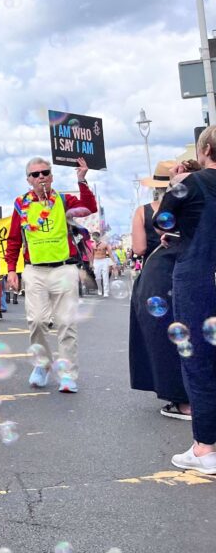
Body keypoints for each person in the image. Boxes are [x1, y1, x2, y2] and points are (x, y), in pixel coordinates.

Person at [5, 157, 96, 393]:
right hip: (35, 270)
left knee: (67, 323)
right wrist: (11, 270)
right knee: (36, 320)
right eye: (35, 174)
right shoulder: (20, 205)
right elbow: (14, 239)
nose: (41, 177)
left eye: (45, 172)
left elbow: (89, 207)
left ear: (52, 176)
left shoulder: (63, 200)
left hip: (64, 268)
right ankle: (42, 365)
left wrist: (81, 179)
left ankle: (68, 375)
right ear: (28, 180)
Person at [161, 127, 216, 475]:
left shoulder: (193, 183)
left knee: (198, 358)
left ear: (206, 148)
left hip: (199, 275)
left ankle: (205, 447)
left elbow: (162, 217)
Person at [129, 160, 192, 420]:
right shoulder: (194, 205)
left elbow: (140, 249)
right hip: (191, 269)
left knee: (161, 338)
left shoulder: (145, 211)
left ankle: (181, 400)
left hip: (158, 274)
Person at [91, 231, 112, 297]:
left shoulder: (105, 244)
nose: (94, 238)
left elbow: (110, 254)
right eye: (93, 237)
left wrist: (113, 263)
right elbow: (91, 255)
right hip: (96, 261)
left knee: (105, 276)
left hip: (104, 260)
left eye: (95, 237)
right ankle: (99, 289)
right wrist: (91, 263)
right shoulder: (92, 245)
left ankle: (106, 292)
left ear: (98, 237)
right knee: (97, 277)